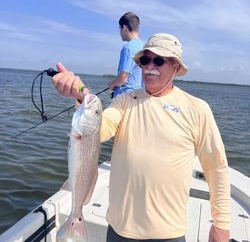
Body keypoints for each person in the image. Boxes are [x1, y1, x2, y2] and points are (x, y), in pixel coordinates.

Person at [52, 33, 231, 242]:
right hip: (119, 230)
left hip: (168, 234)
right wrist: (82, 96)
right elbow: (98, 130)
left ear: (176, 66)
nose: (149, 66)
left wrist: (221, 224)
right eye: (145, 60)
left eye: (158, 60)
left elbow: (216, 168)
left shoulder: (197, 109)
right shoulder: (125, 101)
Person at [108, 12, 144, 98]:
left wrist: (112, 84)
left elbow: (123, 79)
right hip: (139, 96)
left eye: (119, 28)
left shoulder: (128, 48)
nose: (120, 32)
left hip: (126, 98)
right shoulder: (144, 47)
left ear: (124, 28)